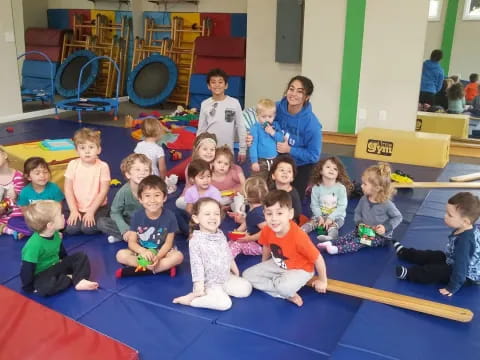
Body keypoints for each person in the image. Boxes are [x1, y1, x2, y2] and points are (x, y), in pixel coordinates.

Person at [243, 190, 327, 307]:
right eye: (269, 214)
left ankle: (285, 292)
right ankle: (284, 292)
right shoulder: (267, 229)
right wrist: (263, 265)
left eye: (279, 213)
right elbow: (267, 246)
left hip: (301, 269)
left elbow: (318, 259)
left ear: (290, 214)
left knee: (284, 287)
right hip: (279, 264)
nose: (273, 219)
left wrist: (323, 281)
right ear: (264, 214)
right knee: (247, 275)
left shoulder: (298, 236)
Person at [173, 197, 252, 310]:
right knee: (225, 304)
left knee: (246, 288)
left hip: (225, 277)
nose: (212, 217)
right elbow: (197, 265)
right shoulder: (195, 240)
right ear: (196, 218)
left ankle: (221, 291)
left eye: (216, 213)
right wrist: (198, 287)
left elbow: (226, 252)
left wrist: (234, 267)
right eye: (207, 214)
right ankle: (192, 300)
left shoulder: (220, 233)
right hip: (209, 283)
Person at [394, 192, 480, 296]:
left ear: (465, 221)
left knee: (438, 271)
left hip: (465, 276)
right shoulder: (465, 227)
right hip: (454, 261)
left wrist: (452, 287)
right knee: (436, 255)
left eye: (449, 215)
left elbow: (460, 268)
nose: (445, 216)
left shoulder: (464, 242)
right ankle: (405, 253)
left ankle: (410, 274)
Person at [318, 162, 402, 255]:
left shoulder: (387, 204)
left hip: (381, 237)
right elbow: (357, 212)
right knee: (348, 236)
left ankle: (337, 249)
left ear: (377, 188)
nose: (361, 186)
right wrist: (359, 223)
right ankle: (330, 243)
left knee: (360, 241)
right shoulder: (364, 199)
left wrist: (385, 227)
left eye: (365, 184)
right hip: (365, 229)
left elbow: (398, 217)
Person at [20, 200, 98, 296]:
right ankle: (69, 278)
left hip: (56, 266)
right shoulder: (33, 246)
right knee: (45, 288)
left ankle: (79, 281)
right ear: (50, 225)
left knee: (81, 256)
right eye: (60, 215)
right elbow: (27, 269)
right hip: (42, 274)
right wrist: (28, 287)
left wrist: (68, 264)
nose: (63, 216)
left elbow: (61, 251)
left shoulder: (55, 233)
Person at [115, 175, 183, 277]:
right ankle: (161, 269)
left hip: (163, 253)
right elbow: (132, 243)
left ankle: (140, 269)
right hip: (143, 253)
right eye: (147, 196)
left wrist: (158, 257)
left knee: (178, 256)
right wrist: (143, 251)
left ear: (164, 198)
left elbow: (168, 244)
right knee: (120, 255)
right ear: (140, 199)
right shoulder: (137, 216)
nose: (152, 200)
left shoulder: (170, 216)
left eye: (157, 195)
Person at [64, 128, 111, 235]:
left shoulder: (103, 166)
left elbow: (103, 192)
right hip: (77, 206)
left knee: (87, 229)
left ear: (98, 150)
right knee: (72, 229)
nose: (87, 151)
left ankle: (107, 216)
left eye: (91, 147)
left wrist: (91, 211)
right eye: (82, 148)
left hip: (98, 207)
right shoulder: (73, 164)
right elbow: (68, 189)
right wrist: (73, 210)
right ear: (77, 151)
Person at [97, 153, 151, 244]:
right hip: (128, 222)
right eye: (137, 169)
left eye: (146, 170)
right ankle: (129, 236)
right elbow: (115, 212)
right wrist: (124, 229)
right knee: (102, 222)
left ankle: (128, 237)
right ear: (128, 174)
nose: (142, 173)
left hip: (145, 224)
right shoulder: (124, 192)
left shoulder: (152, 190)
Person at [197, 68, 246, 163]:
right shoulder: (205, 104)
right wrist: (197, 148)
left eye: (220, 82)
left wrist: (242, 149)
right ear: (208, 86)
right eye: (213, 82)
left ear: (226, 85)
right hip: (209, 151)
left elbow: (241, 127)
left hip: (228, 150)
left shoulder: (234, 103)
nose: (217, 85)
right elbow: (201, 129)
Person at [301, 156, 353, 242]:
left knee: (334, 225)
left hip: (336, 216)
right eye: (328, 167)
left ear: (338, 173)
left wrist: (331, 218)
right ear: (321, 171)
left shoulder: (341, 188)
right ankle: (302, 231)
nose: (331, 170)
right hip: (321, 215)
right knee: (313, 222)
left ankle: (331, 236)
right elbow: (314, 205)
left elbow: (342, 206)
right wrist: (319, 217)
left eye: (335, 169)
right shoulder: (316, 188)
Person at [176, 159, 222, 235]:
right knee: (177, 213)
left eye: (208, 176)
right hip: (195, 219)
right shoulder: (190, 191)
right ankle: (190, 231)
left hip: (209, 219)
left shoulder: (214, 192)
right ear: (192, 180)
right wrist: (193, 219)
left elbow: (217, 212)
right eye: (202, 178)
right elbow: (189, 208)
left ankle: (193, 232)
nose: (206, 180)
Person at [175, 132, 217, 210]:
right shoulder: (192, 166)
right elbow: (192, 185)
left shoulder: (214, 165)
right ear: (197, 150)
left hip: (209, 193)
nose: (209, 152)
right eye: (205, 149)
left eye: (212, 149)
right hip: (193, 194)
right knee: (181, 202)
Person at [229, 176, 268, 258]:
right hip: (253, 239)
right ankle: (221, 253)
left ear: (246, 195)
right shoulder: (253, 208)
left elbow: (267, 231)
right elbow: (247, 222)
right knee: (232, 241)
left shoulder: (257, 213)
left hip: (261, 246)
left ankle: (225, 262)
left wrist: (249, 238)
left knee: (237, 244)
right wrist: (237, 231)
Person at [249, 99, 283, 178]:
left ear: (274, 116)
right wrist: (254, 162)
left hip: (275, 160)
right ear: (257, 116)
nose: (267, 119)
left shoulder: (275, 125)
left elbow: (281, 139)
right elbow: (253, 145)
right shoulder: (255, 128)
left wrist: (273, 133)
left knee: (273, 181)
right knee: (259, 181)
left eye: (270, 116)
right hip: (261, 161)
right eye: (263, 116)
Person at [268, 155, 302, 223]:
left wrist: (283, 216)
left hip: (289, 220)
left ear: (292, 178)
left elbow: (298, 212)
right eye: (282, 170)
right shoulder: (271, 190)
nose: (285, 172)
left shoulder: (293, 193)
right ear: (273, 176)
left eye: (289, 171)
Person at [0, 147, 24, 237]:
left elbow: (23, 201)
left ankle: (14, 229)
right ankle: (10, 230)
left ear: (5, 155)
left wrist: (16, 196)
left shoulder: (18, 176)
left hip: (17, 213)